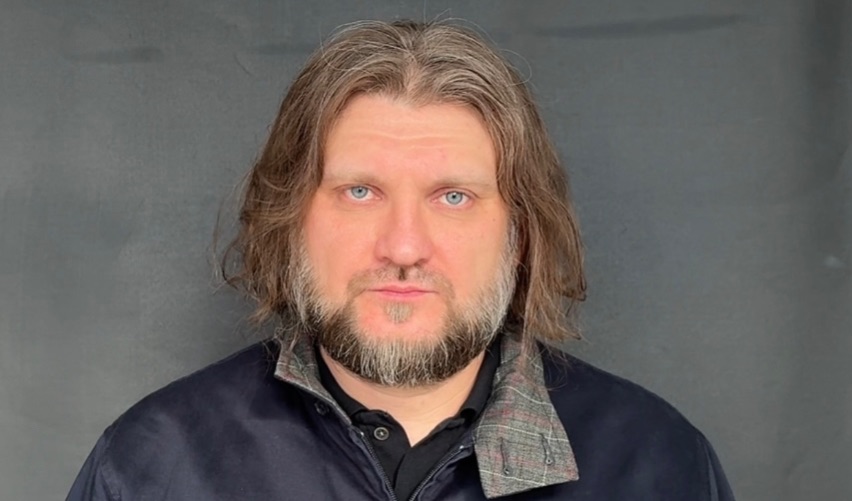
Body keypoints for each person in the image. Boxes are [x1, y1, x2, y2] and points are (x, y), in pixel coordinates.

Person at [67, 19, 734, 500]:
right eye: (360, 192)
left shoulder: (656, 465)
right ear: (290, 219)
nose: (404, 247)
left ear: (522, 231)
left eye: (453, 197)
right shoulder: (156, 465)